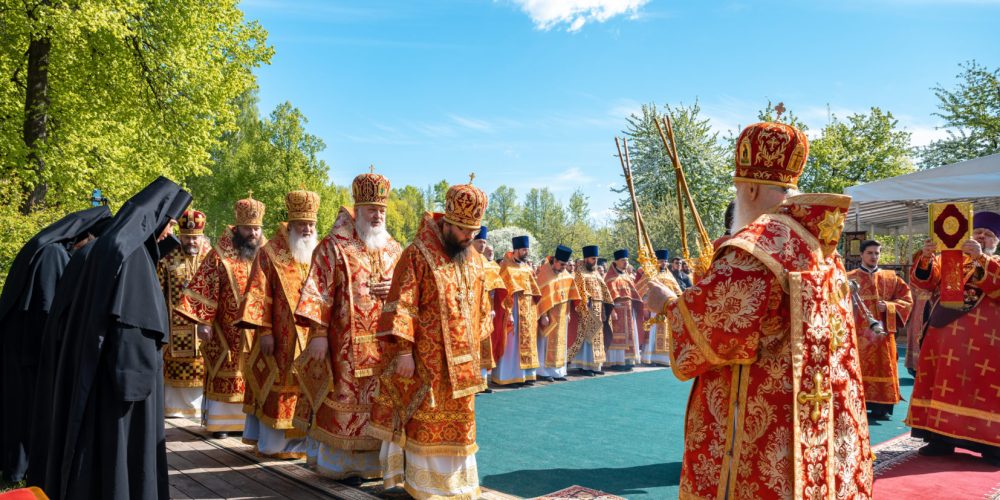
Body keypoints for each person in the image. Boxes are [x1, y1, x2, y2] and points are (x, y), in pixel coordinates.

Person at [645, 122, 873, 498]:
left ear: (749, 187)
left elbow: (712, 338)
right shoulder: (821, 250)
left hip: (761, 426)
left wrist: (667, 303)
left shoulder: (754, 247)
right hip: (817, 418)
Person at [40, 177, 191, 500]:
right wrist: (138, 387)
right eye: (168, 224)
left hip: (90, 376)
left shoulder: (98, 250)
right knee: (119, 462)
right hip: (118, 393)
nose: (168, 233)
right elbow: (132, 331)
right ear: (156, 218)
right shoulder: (133, 258)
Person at [366, 176, 492, 499]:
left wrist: (483, 348)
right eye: (464, 231)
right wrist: (404, 352)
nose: (469, 237)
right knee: (426, 423)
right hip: (427, 362)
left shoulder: (475, 260)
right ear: (448, 222)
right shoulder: (418, 254)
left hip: (463, 371)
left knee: (461, 426)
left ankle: (459, 485)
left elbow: (481, 307)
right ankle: (424, 485)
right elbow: (402, 304)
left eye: (474, 231)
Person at [293, 171, 404, 480]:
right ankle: (340, 465)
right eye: (372, 210)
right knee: (344, 400)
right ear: (359, 210)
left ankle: (375, 466)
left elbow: (408, 290)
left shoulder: (394, 249)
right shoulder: (334, 246)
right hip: (344, 346)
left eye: (381, 210)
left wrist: (392, 289)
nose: (378, 215)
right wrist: (317, 333)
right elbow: (318, 289)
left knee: (379, 403)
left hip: (385, 349)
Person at [0, 205, 110, 483]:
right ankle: (18, 470)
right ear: (83, 235)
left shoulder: (48, 248)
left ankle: (17, 467)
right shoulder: (53, 254)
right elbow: (47, 306)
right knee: (26, 410)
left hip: (22, 346)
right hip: (29, 350)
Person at [906, 211, 1000, 465]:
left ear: (996, 242)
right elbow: (923, 283)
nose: (981, 237)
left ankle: (991, 444)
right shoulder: (950, 261)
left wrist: (980, 257)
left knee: (984, 389)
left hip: (987, 346)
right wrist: (926, 257)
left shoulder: (996, 261)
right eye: (978, 233)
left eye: (988, 235)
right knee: (942, 384)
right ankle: (940, 438)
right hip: (944, 342)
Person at [236, 189, 321, 459]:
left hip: (310, 338)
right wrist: (265, 331)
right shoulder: (270, 251)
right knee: (278, 389)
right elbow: (259, 294)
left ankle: (302, 445)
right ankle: (274, 444)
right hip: (279, 339)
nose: (307, 229)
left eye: (311, 224)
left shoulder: (317, 252)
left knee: (305, 390)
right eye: (302, 224)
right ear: (291, 223)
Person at [176, 193, 266, 438]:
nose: (253, 234)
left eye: (257, 228)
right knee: (226, 369)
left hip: (256, 330)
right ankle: (222, 424)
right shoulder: (219, 255)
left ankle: (248, 425)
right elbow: (204, 287)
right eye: (248, 228)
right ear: (237, 228)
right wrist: (203, 321)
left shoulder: (265, 254)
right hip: (224, 329)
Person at [846, 240, 912, 420]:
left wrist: (890, 307)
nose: (874, 256)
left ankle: (881, 407)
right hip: (858, 335)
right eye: (870, 253)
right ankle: (856, 402)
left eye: (877, 253)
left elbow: (907, 301)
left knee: (884, 367)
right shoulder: (849, 277)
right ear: (861, 254)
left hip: (883, 335)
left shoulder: (891, 277)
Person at [157, 209, 212, 420]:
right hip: (174, 326)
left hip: (203, 325)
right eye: (187, 237)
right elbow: (159, 290)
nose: (191, 242)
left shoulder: (210, 256)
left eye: (195, 237)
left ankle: (200, 410)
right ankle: (173, 410)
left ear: (202, 236)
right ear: (180, 235)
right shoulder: (167, 256)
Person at [491, 235, 542, 386]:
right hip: (513, 309)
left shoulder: (527, 268)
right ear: (516, 250)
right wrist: (508, 311)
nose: (526, 252)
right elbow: (503, 291)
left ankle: (525, 376)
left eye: (527, 249)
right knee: (512, 344)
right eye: (524, 249)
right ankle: (508, 376)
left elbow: (534, 289)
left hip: (527, 311)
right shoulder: (506, 267)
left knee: (526, 343)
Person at [535, 245, 581, 382]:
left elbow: (569, 296)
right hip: (548, 315)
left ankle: (558, 372)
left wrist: (568, 313)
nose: (563, 267)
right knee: (545, 344)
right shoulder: (544, 274)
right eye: (561, 264)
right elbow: (540, 296)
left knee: (560, 343)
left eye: (565, 265)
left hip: (562, 315)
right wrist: (543, 315)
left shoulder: (566, 275)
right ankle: (543, 371)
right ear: (555, 260)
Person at [567, 245, 613, 376]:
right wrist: (587, 301)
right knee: (587, 338)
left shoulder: (595, 272)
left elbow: (603, 290)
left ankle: (595, 366)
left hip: (599, 307)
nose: (595, 261)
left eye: (596, 259)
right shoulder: (580, 272)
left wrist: (606, 305)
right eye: (593, 259)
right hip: (587, 308)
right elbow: (579, 290)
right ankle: (584, 366)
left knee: (597, 337)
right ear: (586, 259)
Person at [472, 227, 503, 392]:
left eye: (484, 242)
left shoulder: (487, 264)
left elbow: (493, 289)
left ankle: (482, 382)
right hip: (471, 311)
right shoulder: (467, 260)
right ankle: (471, 382)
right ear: (472, 241)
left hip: (485, 311)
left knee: (484, 346)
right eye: (479, 242)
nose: (482, 245)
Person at [605, 249, 643, 371]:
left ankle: (628, 360)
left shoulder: (627, 276)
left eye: (627, 260)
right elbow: (608, 297)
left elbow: (634, 293)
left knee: (630, 335)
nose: (625, 262)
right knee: (618, 336)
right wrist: (612, 311)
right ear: (616, 261)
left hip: (629, 310)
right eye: (623, 260)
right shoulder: (610, 278)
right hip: (617, 310)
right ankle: (617, 361)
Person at [639, 249, 677, 366]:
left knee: (666, 333)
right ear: (656, 262)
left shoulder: (669, 276)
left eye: (665, 261)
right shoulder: (650, 274)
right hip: (654, 309)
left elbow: (676, 291)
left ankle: (664, 359)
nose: (663, 263)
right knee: (653, 333)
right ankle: (650, 358)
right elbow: (640, 289)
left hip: (667, 309)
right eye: (661, 261)